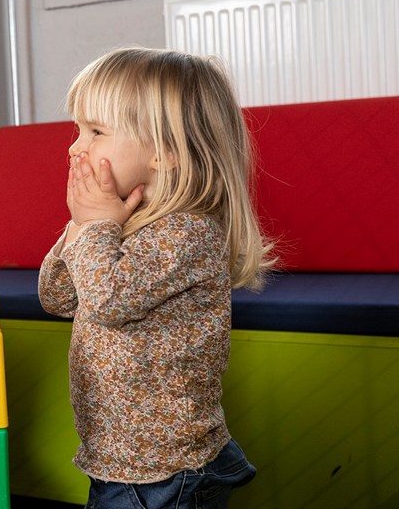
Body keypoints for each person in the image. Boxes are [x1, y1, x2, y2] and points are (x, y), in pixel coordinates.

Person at [37, 47, 274, 508]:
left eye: (96, 131)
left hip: (165, 472)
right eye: (78, 129)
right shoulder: (122, 223)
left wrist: (95, 225)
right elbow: (57, 296)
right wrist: (82, 225)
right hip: (120, 461)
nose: (75, 146)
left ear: (165, 152)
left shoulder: (185, 231)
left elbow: (107, 302)